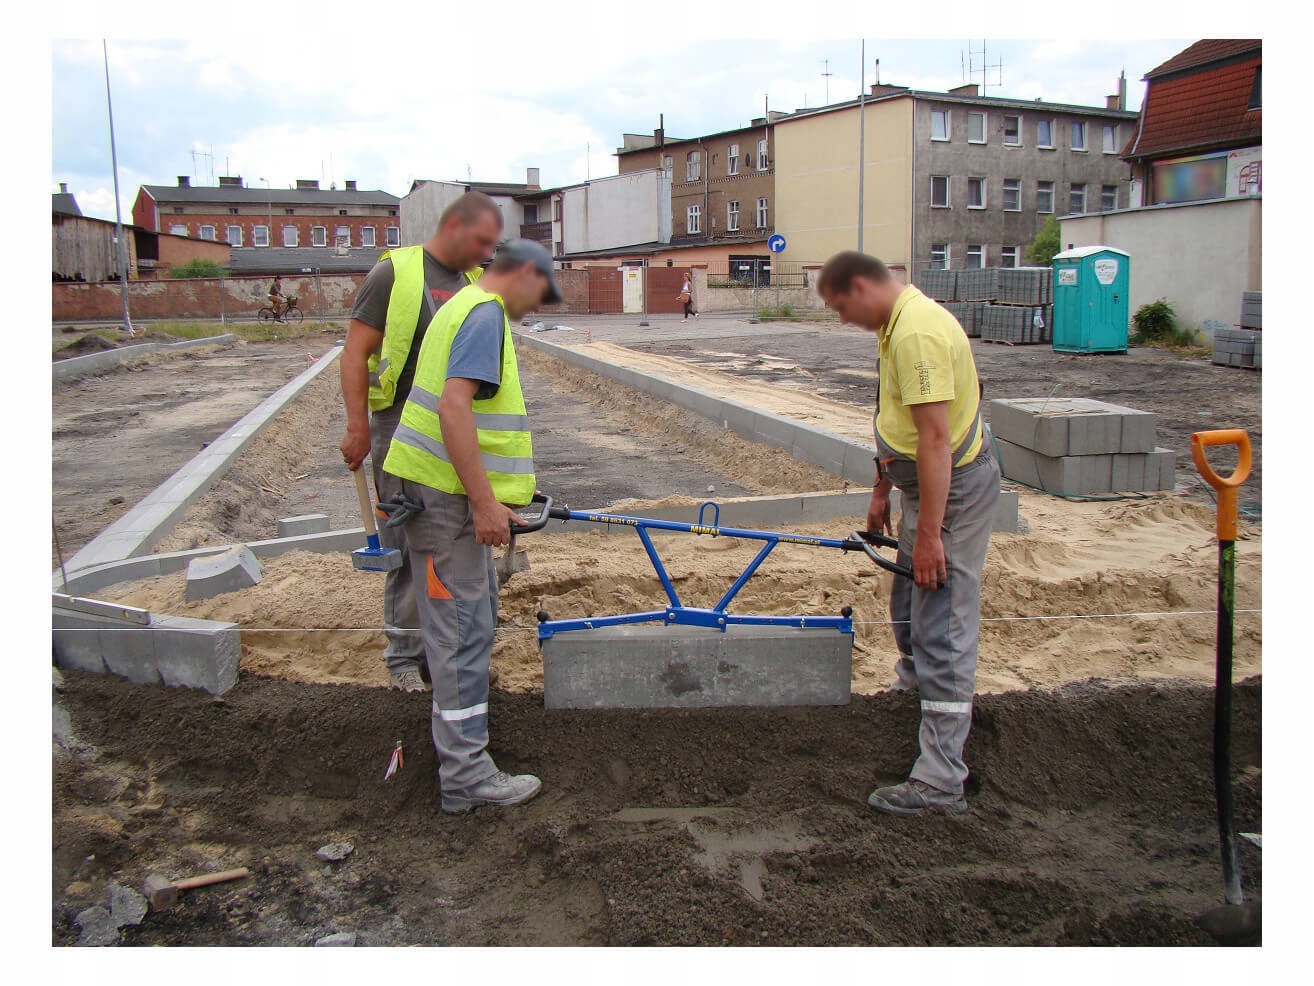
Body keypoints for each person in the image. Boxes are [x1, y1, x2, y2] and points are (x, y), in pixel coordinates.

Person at [818, 251, 1000, 817]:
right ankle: (915, 697)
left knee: (940, 615)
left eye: (842, 307)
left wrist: (929, 536)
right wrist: (881, 490)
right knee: (907, 596)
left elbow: (936, 440)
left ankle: (941, 780)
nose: (844, 321)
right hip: (919, 486)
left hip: (953, 488)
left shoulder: (916, 332)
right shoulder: (893, 325)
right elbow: (892, 420)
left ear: (864, 285)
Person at [382, 238, 562, 814]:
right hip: (445, 505)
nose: (536, 306)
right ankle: (465, 777)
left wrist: (497, 494)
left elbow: (463, 414)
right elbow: (453, 408)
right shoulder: (483, 314)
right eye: (540, 292)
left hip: (435, 494)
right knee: (460, 633)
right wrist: (484, 504)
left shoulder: (459, 303)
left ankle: (461, 754)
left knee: (467, 620)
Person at [339, 192, 504, 693]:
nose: (486, 256)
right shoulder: (396, 273)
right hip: (399, 429)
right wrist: (357, 426)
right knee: (411, 546)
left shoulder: (474, 284)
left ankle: (450, 654)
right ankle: (405, 657)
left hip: (455, 430)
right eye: (481, 243)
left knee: (453, 545)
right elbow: (354, 352)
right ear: (453, 226)